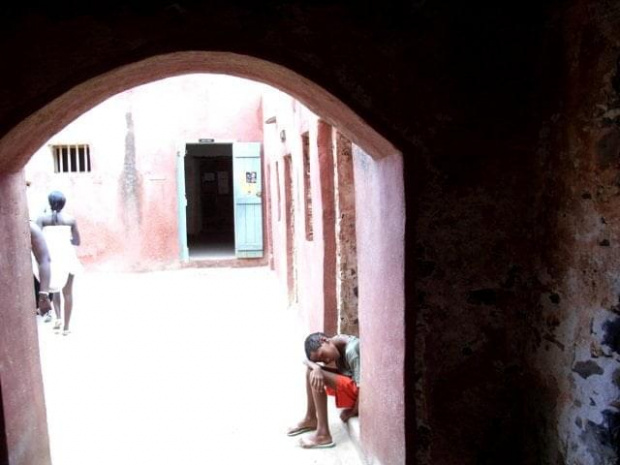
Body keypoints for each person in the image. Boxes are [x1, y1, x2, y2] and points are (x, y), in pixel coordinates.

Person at [287, 332, 361, 449]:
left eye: (322, 355)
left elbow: (362, 388)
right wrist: (316, 366)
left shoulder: (352, 350)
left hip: (359, 395)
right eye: (321, 360)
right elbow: (306, 360)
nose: (326, 361)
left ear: (323, 340)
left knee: (315, 372)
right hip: (351, 386)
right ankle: (310, 418)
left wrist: (352, 412)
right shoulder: (335, 342)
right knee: (311, 370)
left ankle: (323, 435)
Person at [36, 190, 82, 335]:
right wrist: (64, 239)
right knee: (67, 293)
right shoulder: (70, 220)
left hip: (50, 258)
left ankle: (58, 319)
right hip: (67, 256)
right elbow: (77, 241)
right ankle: (66, 327)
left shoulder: (42, 219)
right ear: (64, 203)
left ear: (49, 203)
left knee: (54, 288)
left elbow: (36, 238)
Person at [30, 221, 52, 316]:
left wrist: (43, 294)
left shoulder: (29, 227)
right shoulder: (30, 227)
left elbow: (44, 259)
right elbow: (44, 259)